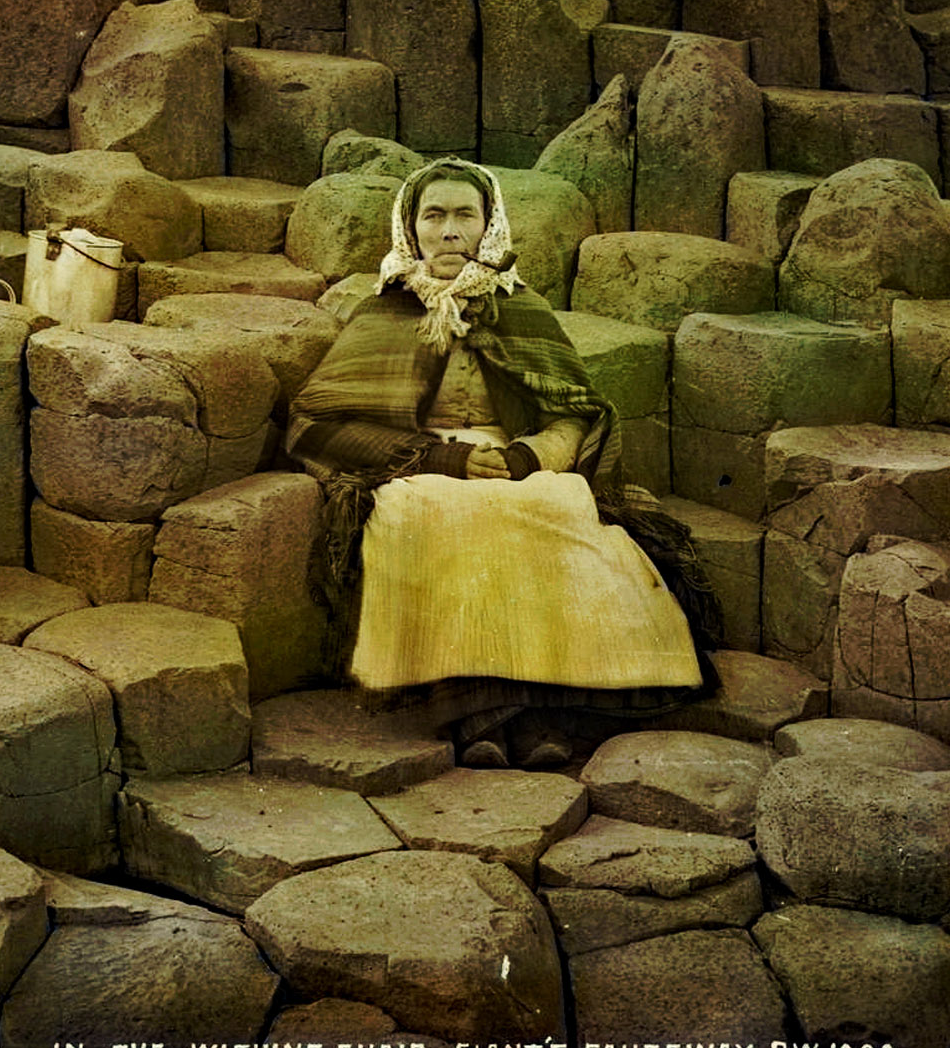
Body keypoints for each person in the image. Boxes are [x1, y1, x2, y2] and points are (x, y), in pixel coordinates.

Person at [285, 157, 718, 766]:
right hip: (417, 467)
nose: (449, 230)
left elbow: (578, 411)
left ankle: (526, 716)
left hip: (515, 459)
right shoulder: (382, 312)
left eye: (465, 214)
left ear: (490, 226)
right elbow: (319, 422)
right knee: (428, 515)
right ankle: (494, 720)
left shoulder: (523, 309)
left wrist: (526, 457)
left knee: (556, 505)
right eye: (433, 216)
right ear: (411, 229)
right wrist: (441, 458)